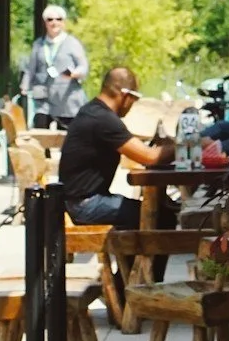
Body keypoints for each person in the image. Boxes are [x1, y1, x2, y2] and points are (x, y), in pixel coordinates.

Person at [58, 66, 174, 229]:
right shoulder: (103, 119)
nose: (131, 105)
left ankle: (133, 254)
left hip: (78, 201)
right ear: (125, 95)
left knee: (155, 213)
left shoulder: (93, 111)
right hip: (85, 205)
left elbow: (132, 144)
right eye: (134, 100)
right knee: (163, 218)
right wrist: (185, 145)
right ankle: (141, 255)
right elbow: (150, 157)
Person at [21, 5, 90, 130]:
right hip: (43, 99)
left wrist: (75, 74)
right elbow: (30, 69)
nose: (54, 23)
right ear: (45, 22)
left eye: (58, 19)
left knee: (66, 138)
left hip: (67, 99)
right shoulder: (38, 45)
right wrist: (24, 87)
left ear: (63, 22)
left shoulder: (72, 43)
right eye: (50, 19)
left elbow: (83, 66)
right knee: (40, 135)